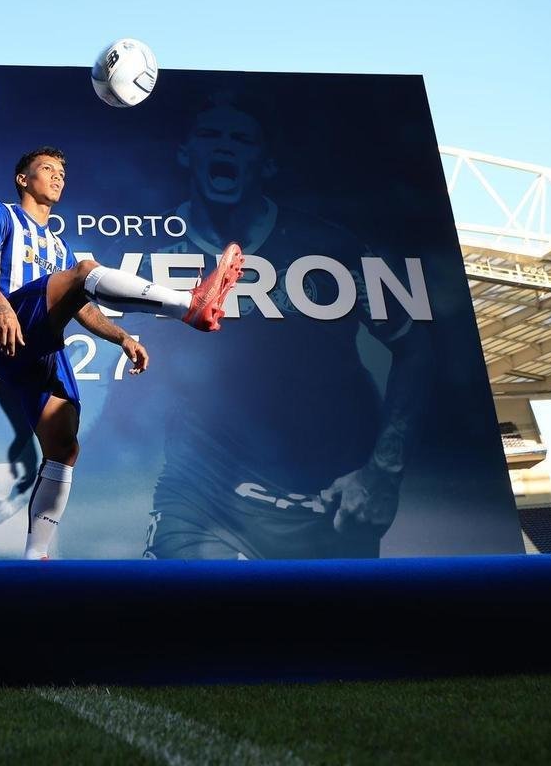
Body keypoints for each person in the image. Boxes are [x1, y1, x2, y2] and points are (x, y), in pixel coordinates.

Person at [139, 91, 430, 560]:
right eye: (210, 135)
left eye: (242, 139)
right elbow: (104, 367)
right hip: (200, 500)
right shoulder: (153, 253)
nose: (225, 147)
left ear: (266, 164)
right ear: (185, 152)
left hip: (330, 508)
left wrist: (383, 473)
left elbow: (415, 346)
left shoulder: (330, 248)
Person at [0, 146, 245, 559]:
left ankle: (35, 557)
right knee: (85, 269)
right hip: (7, 324)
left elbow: (80, 307)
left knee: (63, 448)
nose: (58, 177)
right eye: (47, 169)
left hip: (40, 346)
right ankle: (188, 305)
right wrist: (1, 306)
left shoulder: (59, 248)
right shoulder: (3, 213)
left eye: (63, 172)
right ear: (23, 179)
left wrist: (122, 338)